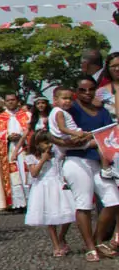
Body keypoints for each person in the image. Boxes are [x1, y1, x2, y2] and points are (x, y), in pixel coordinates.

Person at [45, 84, 106, 259]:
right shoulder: (58, 113)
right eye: (63, 99)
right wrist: (79, 134)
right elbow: (63, 130)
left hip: (72, 143)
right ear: (55, 100)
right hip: (72, 143)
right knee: (98, 144)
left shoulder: (62, 112)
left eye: (68, 99)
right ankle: (92, 245)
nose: (67, 102)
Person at [24, 129, 79, 256]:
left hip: (57, 184)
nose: (47, 145)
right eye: (44, 143)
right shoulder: (31, 156)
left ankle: (62, 236)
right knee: (50, 218)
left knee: (71, 212)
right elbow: (34, 173)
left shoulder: (57, 153)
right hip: (43, 187)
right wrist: (43, 159)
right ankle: (56, 245)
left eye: (49, 142)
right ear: (37, 143)